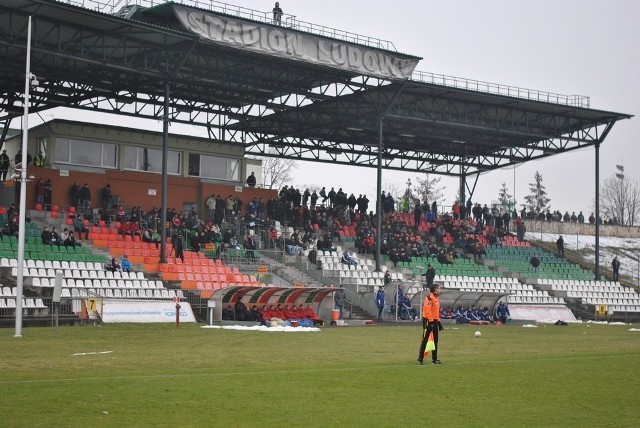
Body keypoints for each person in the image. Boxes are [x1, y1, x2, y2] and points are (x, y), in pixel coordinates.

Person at [417, 284, 443, 365]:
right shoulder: (428, 298)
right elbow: (427, 311)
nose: (440, 290)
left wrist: (438, 322)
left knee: (435, 340)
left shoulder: (436, 299)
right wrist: (431, 321)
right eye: (439, 289)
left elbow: (436, 311)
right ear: (435, 290)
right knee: (425, 340)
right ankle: (420, 359)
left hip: (434, 321)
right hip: (428, 321)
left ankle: (434, 359)